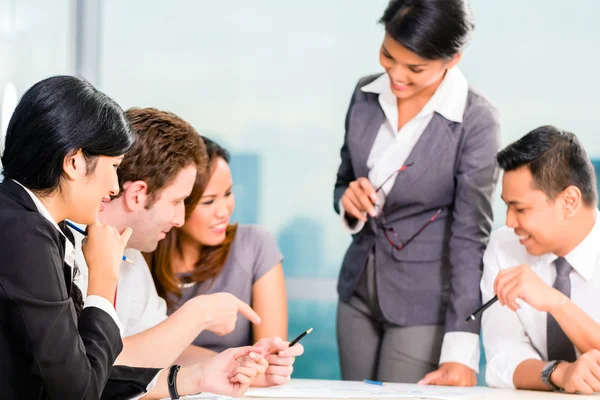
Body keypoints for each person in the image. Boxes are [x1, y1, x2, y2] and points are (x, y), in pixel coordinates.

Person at [0, 76, 267, 400]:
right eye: (113, 167)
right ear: (73, 163)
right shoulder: (24, 235)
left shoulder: (33, 226)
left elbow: (80, 371)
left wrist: (197, 376)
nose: (114, 186)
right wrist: (102, 282)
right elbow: (78, 391)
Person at [334, 0, 501, 385]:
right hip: (357, 290)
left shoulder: (475, 120)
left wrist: (461, 350)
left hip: (423, 302)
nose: (395, 74)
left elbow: (470, 236)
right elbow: (344, 178)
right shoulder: (364, 94)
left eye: (415, 68)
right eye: (388, 55)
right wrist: (348, 201)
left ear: (452, 59)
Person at [73, 108, 300, 387]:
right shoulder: (65, 250)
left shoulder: (131, 255)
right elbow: (94, 364)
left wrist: (238, 364)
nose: (180, 219)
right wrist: (199, 314)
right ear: (137, 195)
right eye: (178, 201)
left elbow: (158, 347)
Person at [482, 126, 600, 395]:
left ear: (569, 201)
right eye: (507, 207)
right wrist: (560, 373)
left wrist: (556, 303)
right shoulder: (503, 247)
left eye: (520, 209)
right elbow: (502, 358)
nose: (510, 222)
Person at [147, 137, 288, 354]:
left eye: (229, 193)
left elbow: (269, 355)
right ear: (178, 202)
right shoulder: (142, 253)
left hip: (238, 386)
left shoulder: (255, 245)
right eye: (208, 201)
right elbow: (133, 352)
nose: (224, 211)